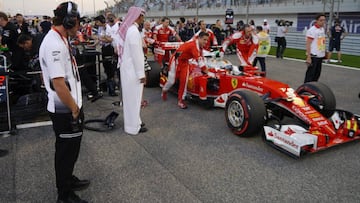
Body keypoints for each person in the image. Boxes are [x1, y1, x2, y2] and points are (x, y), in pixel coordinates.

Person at [39, 2, 90, 202]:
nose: (79, 26)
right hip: (66, 110)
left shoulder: (60, 38)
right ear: (69, 21)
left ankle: (68, 179)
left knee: (71, 150)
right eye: (77, 22)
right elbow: (59, 84)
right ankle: (64, 194)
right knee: (65, 152)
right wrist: (74, 109)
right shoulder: (53, 44)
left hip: (70, 106)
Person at [118, 6, 147, 135]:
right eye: (142, 16)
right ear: (138, 16)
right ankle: (133, 127)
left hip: (129, 69)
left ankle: (137, 121)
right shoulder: (133, 31)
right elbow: (137, 55)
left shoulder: (130, 29)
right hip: (133, 71)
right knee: (133, 100)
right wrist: (141, 74)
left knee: (132, 99)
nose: (143, 19)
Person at [161, 32, 209, 109]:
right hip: (176, 60)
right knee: (171, 81)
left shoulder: (200, 46)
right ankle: (164, 90)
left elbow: (201, 58)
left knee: (184, 81)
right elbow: (199, 61)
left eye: (207, 40)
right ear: (199, 38)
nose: (206, 42)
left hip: (185, 61)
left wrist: (206, 69)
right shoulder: (194, 45)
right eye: (204, 40)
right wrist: (208, 72)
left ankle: (181, 100)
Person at [304, 14, 326, 83]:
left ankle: (313, 88)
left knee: (317, 74)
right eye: (321, 20)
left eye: (324, 20)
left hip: (320, 55)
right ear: (316, 21)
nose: (323, 22)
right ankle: (306, 89)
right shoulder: (312, 30)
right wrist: (308, 57)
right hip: (314, 55)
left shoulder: (322, 29)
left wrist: (324, 52)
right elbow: (308, 44)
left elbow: (321, 42)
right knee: (310, 74)